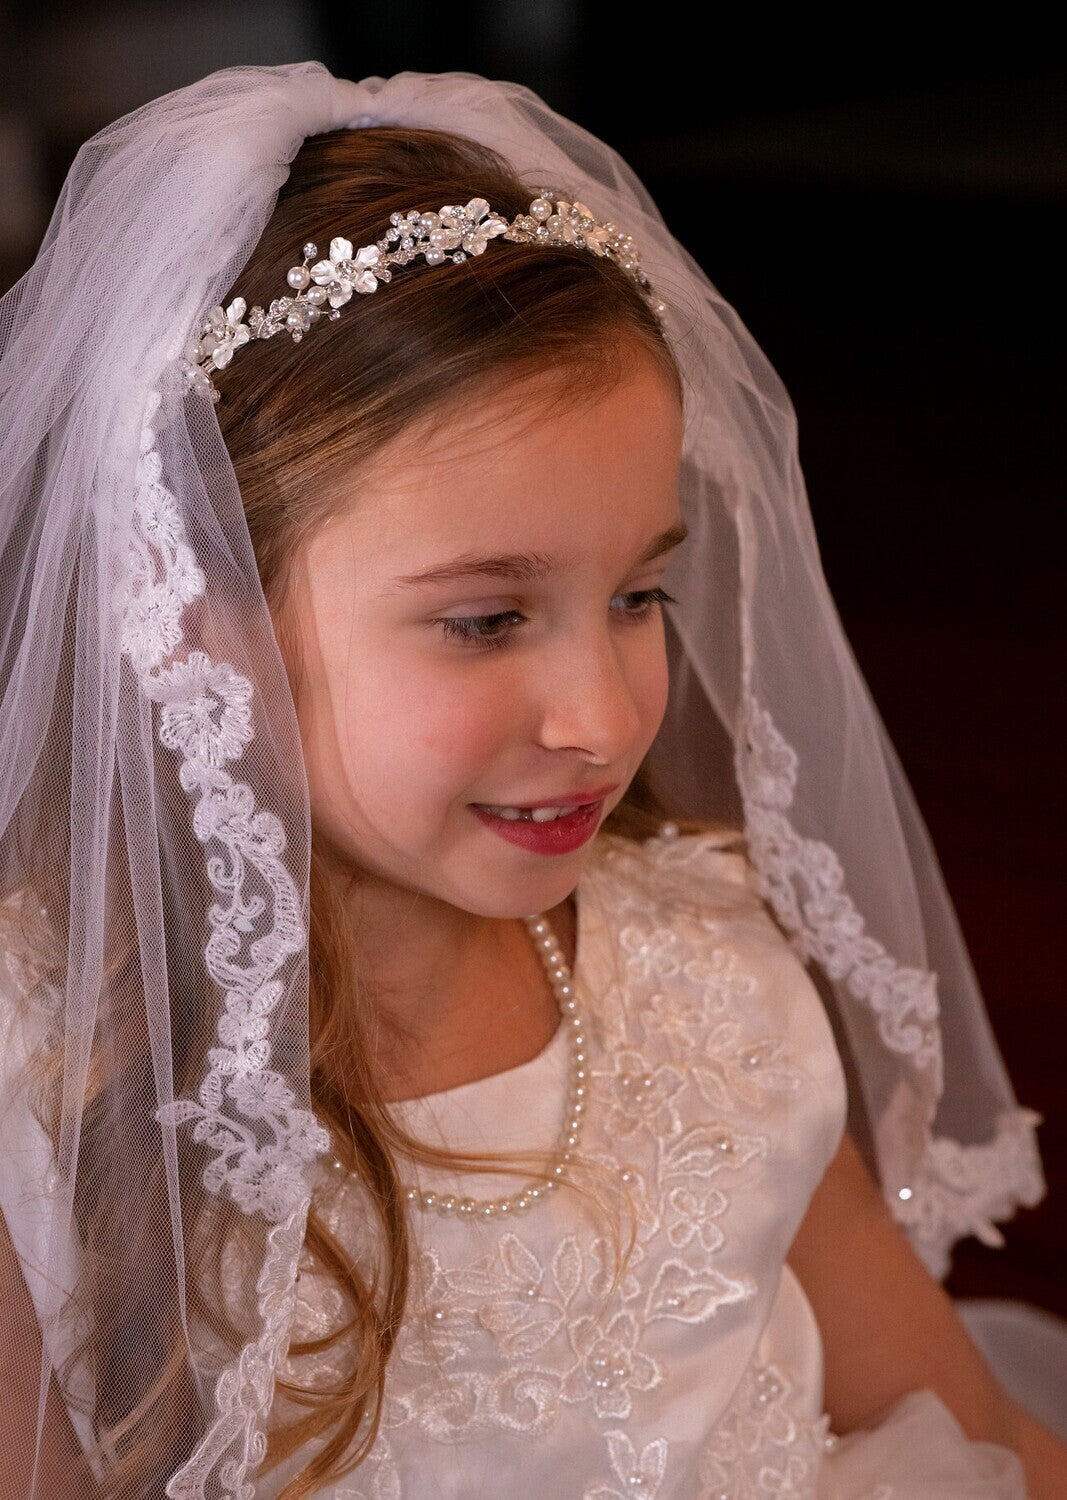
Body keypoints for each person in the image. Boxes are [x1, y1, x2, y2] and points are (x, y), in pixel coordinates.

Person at [0, 61, 1063, 1500]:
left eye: (639, 596)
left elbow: (977, 1429)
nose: (604, 717)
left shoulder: (710, 980)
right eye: (488, 620)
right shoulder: (48, 1078)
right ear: (209, 625)